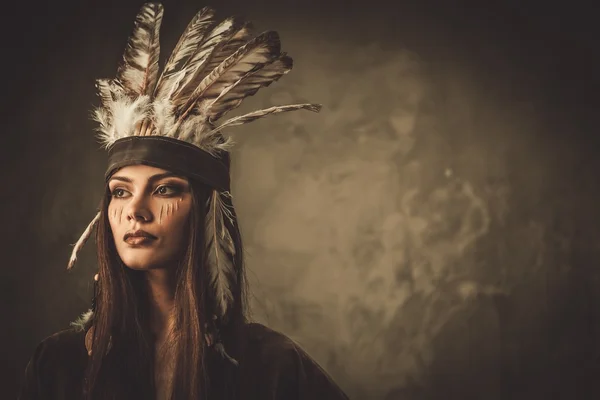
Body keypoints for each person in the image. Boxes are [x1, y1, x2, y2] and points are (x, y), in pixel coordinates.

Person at [18, 3, 349, 399]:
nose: (134, 211)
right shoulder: (59, 364)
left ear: (206, 211)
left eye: (164, 189)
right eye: (120, 191)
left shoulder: (272, 367)